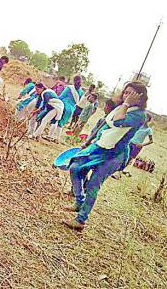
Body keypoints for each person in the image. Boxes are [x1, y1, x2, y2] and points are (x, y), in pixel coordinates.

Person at [63, 82, 148, 231]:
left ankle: (81, 220)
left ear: (140, 97)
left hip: (114, 154)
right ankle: (79, 200)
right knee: (76, 168)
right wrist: (88, 141)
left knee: (93, 183)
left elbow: (119, 121)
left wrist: (127, 104)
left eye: (131, 94)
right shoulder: (119, 108)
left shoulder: (139, 115)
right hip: (99, 146)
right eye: (126, 92)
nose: (126, 96)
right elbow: (104, 125)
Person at [48, 75, 83, 142]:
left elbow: (61, 97)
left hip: (63, 106)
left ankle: (50, 136)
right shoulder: (81, 92)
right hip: (71, 109)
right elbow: (78, 102)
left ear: (73, 81)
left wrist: (53, 98)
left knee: (56, 120)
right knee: (61, 124)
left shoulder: (69, 88)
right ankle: (57, 138)